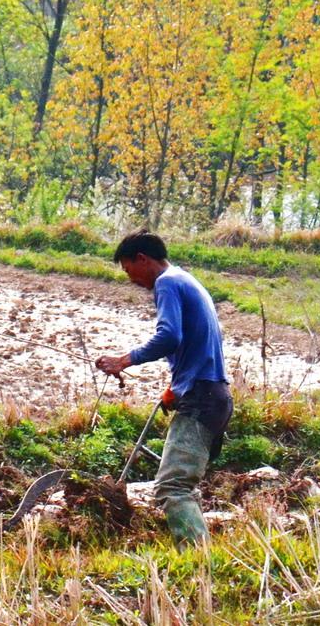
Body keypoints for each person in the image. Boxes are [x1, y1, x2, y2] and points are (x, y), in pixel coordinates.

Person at [94, 231, 232, 543]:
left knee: (173, 487)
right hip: (211, 394)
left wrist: (124, 360)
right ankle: (200, 557)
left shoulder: (167, 282)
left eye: (129, 270)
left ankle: (200, 563)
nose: (131, 280)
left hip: (203, 397)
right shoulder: (185, 279)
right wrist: (178, 387)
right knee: (183, 486)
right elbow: (199, 345)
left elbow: (170, 336)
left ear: (142, 259)